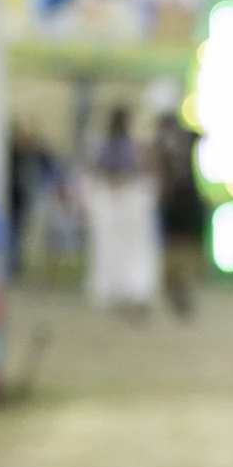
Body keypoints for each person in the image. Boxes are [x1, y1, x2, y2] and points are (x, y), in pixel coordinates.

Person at [82, 101, 162, 311]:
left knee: (125, 248)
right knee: (117, 248)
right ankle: (120, 288)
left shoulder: (129, 145)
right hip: (116, 202)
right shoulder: (118, 145)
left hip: (125, 201)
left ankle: (131, 288)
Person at [155, 109, 207, 315]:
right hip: (177, 202)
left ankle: (181, 285)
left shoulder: (170, 141)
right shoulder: (174, 141)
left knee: (181, 247)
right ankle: (179, 285)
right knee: (179, 247)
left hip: (180, 202)